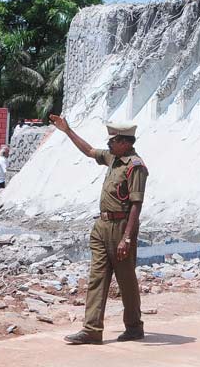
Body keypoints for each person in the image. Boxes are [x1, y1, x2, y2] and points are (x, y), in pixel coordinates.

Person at [48, 114, 147, 345]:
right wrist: (67, 131)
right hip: (102, 226)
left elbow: (136, 205)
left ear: (125, 142)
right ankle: (92, 329)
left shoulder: (136, 166)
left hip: (122, 226)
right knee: (97, 278)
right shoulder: (113, 158)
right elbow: (90, 150)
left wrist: (127, 238)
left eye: (112, 140)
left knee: (126, 280)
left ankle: (134, 327)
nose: (109, 144)